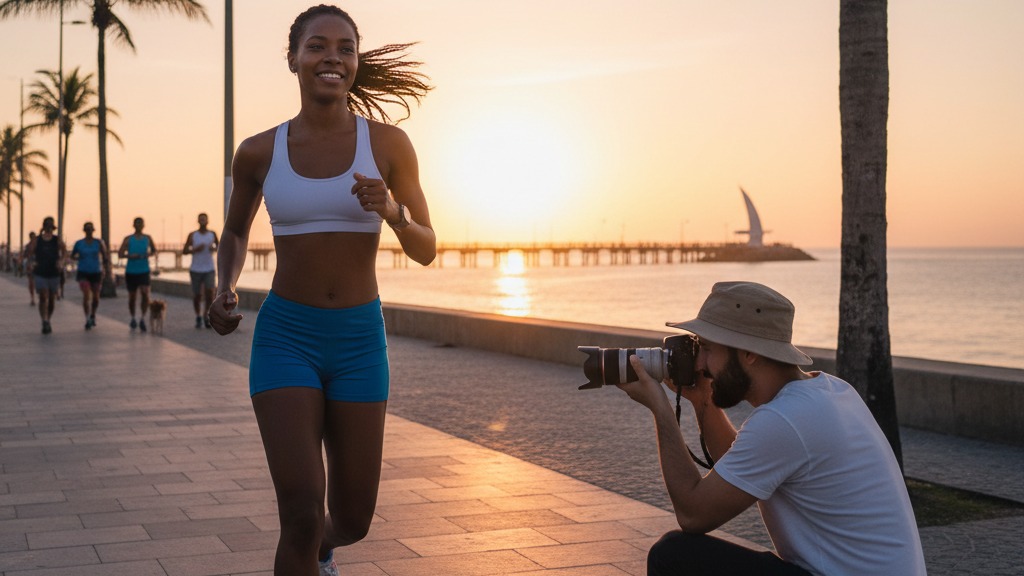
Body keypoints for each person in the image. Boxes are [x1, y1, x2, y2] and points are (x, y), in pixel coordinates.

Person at [207, 5, 435, 575]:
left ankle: (322, 553)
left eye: (345, 48)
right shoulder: (260, 151)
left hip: (359, 339)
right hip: (287, 336)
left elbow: (427, 247)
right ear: (293, 60)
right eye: (317, 46)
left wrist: (393, 211)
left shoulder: (388, 146)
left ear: (356, 62)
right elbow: (235, 231)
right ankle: (309, 549)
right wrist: (224, 285)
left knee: (352, 519)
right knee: (302, 515)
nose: (332, 56)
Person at [617, 281, 926, 576]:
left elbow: (693, 515)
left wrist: (660, 410)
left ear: (748, 353)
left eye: (708, 348)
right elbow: (741, 466)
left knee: (673, 555)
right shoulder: (830, 390)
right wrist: (703, 404)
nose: (699, 364)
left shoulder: (786, 419)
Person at [25, 217, 66, 334]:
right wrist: (32, 262)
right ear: (43, 227)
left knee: (52, 299)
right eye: (46, 226)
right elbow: (30, 252)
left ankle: (48, 319)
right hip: (40, 272)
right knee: (43, 296)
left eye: (50, 227)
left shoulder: (56, 240)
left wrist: (61, 261)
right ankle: (44, 320)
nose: (48, 229)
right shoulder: (37, 240)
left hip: (54, 272)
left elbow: (64, 252)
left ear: (53, 228)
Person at [117, 217, 157, 332]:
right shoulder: (128, 239)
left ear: (143, 225)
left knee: (145, 294)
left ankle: (143, 318)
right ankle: (133, 317)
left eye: (141, 223)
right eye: (137, 223)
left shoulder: (148, 238)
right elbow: (120, 254)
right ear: (133, 225)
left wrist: (148, 254)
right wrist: (130, 256)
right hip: (131, 271)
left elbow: (154, 251)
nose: (139, 225)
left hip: (144, 271)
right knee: (132, 297)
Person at [70, 222, 112, 330]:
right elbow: (72, 255)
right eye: (87, 229)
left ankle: (93, 314)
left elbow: (105, 256)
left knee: (96, 297)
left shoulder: (99, 242)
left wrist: (106, 270)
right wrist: (79, 258)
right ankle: (87, 318)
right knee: (86, 295)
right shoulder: (79, 243)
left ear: (93, 230)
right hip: (83, 272)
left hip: (96, 272)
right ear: (84, 230)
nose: (89, 231)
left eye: (90, 229)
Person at [182, 212, 220, 328]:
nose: (202, 221)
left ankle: (206, 316)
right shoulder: (192, 235)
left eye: (204, 219)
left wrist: (213, 248)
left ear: (207, 221)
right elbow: (184, 251)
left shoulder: (212, 234)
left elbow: (219, 248)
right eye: (201, 219)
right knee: (197, 295)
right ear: (198, 221)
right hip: (195, 269)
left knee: (210, 294)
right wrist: (194, 249)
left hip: (209, 269)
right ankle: (198, 316)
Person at [24, 231, 37, 305]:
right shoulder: (28, 246)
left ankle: (33, 298)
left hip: (38, 266)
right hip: (31, 266)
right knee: (31, 283)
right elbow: (25, 255)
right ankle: (32, 298)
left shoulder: (39, 246)